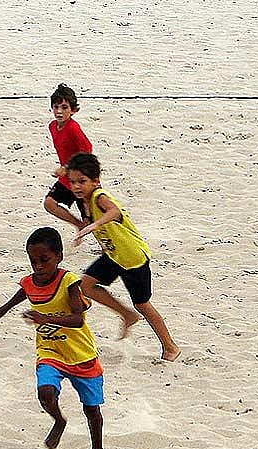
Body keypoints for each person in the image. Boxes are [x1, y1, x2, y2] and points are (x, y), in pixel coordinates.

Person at [0, 227, 106, 449]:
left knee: (91, 410)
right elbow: (24, 293)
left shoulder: (69, 282)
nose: (38, 265)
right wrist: (0, 311)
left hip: (81, 353)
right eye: (33, 260)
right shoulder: (30, 282)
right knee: (45, 393)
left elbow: (77, 319)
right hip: (50, 351)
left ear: (59, 257)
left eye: (44, 260)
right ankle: (59, 420)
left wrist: (46, 318)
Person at [67, 152, 182, 362]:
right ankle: (126, 315)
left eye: (82, 181)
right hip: (114, 256)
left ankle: (170, 346)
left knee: (143, 304)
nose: (76, 186)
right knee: (87, 285)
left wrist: (95, 225)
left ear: (95, 181)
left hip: (132, 258)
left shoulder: (99, 197)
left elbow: (114, 211)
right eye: (73, 181)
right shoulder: (83, 202)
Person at [44, 83, 93, 230]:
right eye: (56, 107)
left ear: (73, 110)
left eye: (64, 107)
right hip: (66, 179)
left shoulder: (73, 128)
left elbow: (87, 150)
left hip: (81, 178)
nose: (59, 111)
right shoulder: (52, 126)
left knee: (93, 221)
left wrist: (67, 167)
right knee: (49, 203)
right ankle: (78, 225)